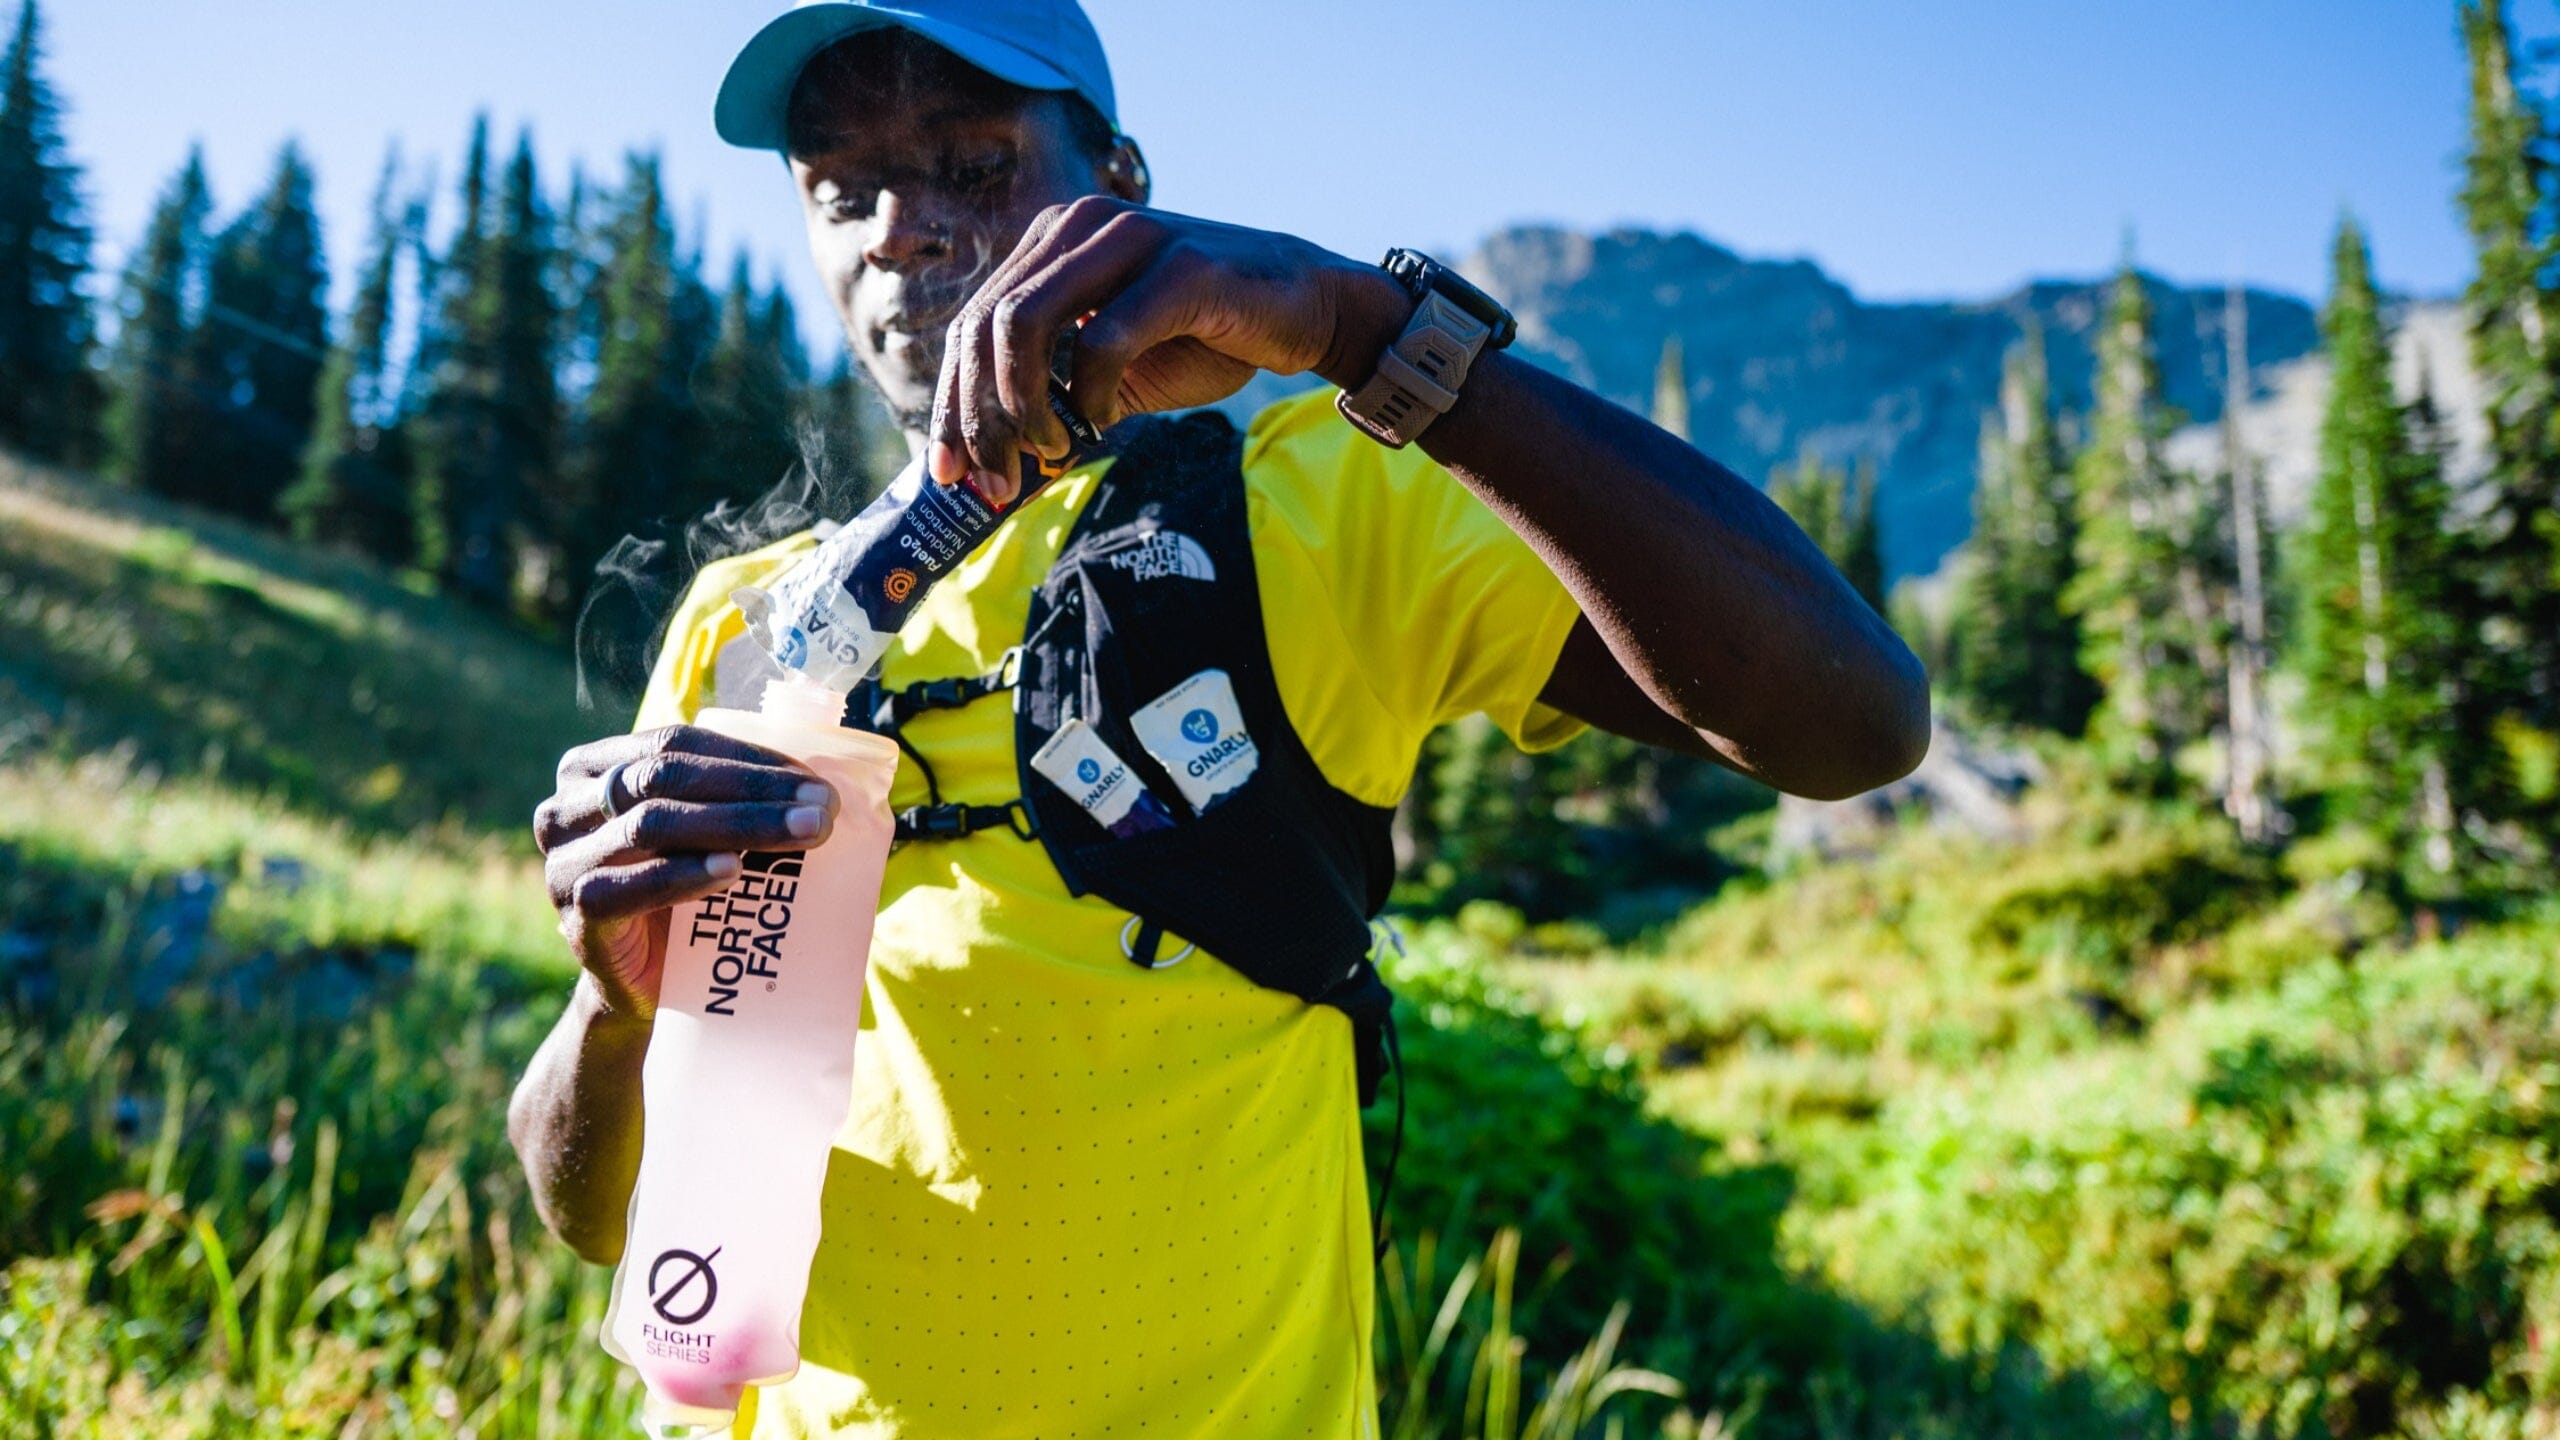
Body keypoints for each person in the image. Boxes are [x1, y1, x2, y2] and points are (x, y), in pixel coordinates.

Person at [510, 2, 1928, 1434]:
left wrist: (1367, 330)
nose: (897, 229)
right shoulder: (748, 628)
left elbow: (1854, 720)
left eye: (973, 162)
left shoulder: (1319, 491)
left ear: (1118, 183)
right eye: (839, 189)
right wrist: (611, 1006)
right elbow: (593, 1217)